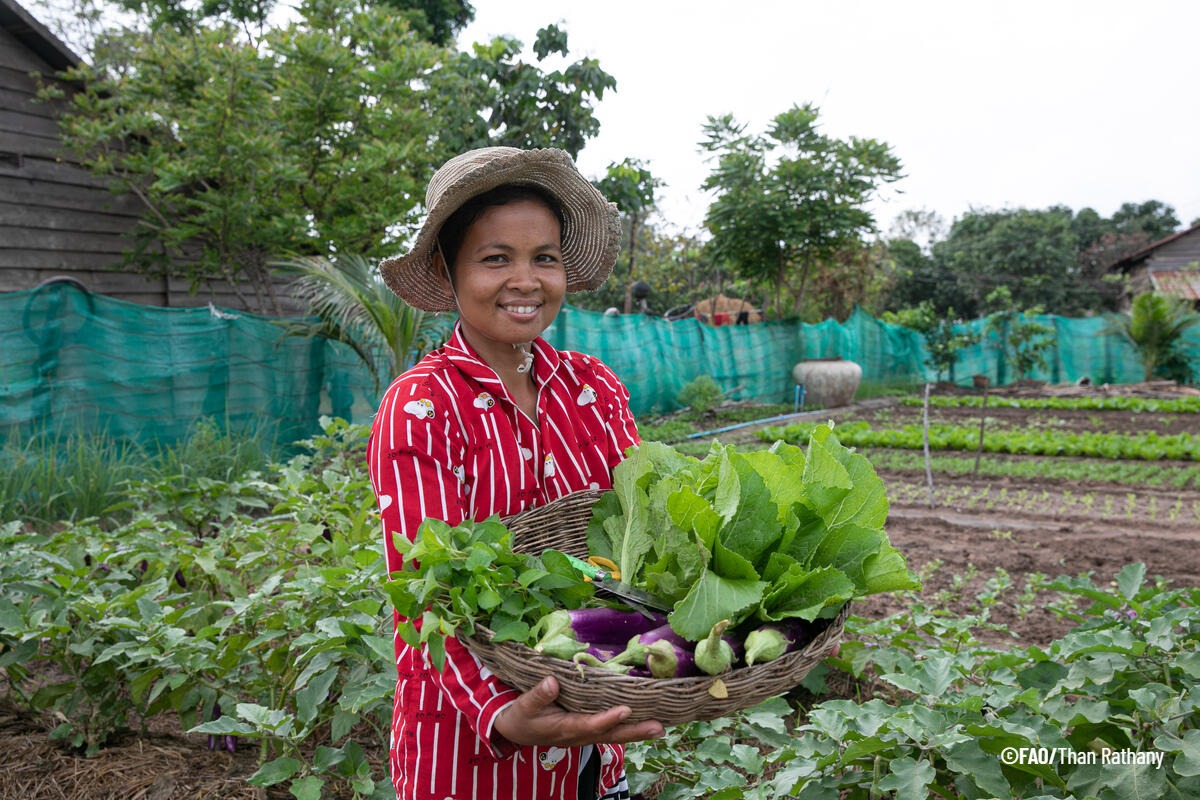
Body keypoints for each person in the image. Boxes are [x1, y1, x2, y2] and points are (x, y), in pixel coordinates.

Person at [368, 146, 665, 800]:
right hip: (468, 760)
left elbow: (636, 538)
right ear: (449, 273)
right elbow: (425, 589)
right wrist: (502, 715)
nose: (525, 279)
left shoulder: (594, 388)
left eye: (545, 258)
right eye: (495, 257)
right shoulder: (422, 407)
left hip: (593, 738)